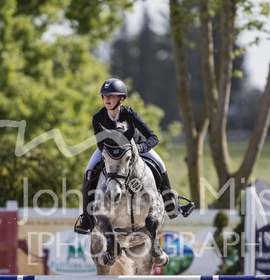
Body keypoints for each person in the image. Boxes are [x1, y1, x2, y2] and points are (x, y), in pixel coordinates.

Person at [74, 78, 194, 235]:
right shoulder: (98, 118)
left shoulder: (130, 114)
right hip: (109, 150)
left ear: (121, 99)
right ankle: (86, 218)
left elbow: (153, 138)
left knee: (160, 165)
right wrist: (110, 155)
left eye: (111, 96)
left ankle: (170, 204)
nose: (107, 99)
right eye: (105, 96)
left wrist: (140, 148)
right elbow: (100, 143)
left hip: (136, 147)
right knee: (89, 172)